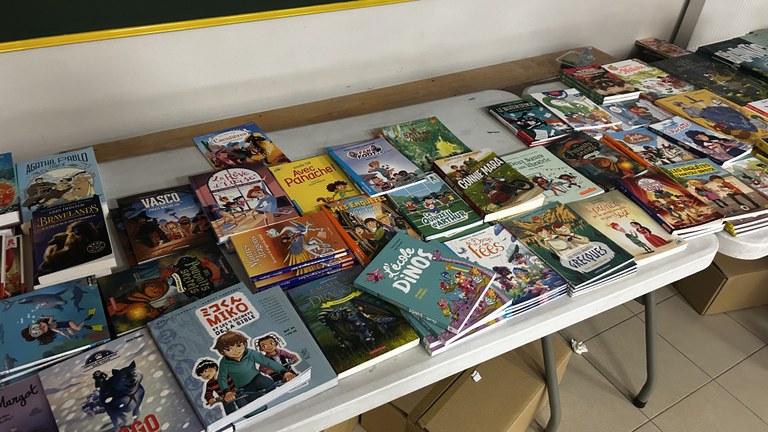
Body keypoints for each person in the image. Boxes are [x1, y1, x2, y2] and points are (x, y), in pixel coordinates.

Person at [215, 331, 295, 405]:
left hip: (257, 378)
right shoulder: (224, 363)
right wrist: (226, 391)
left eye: (238, 346)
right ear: (222, 352)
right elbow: (222, 377)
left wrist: (284, 372)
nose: (235, 351)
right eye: (228, 349)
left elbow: (267, 362)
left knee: (267, 383)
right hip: (243, 387)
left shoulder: (250, 353)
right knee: (255, 404)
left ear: (244, 344)